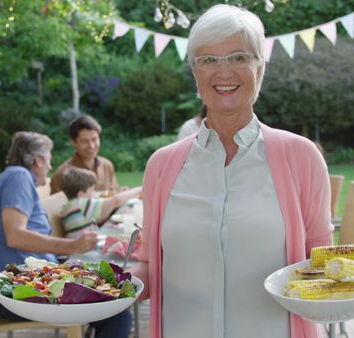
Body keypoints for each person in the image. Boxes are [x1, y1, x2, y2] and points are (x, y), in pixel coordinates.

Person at [131, 5, 334, 338]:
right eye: (208, 60)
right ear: (195, 72)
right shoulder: (161, 166)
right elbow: (150, 266)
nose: (223, 72)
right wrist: (105, 290)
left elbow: (320, 263)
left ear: (259, 67)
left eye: (238, 57)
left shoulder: (302, 157)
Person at [0, 131, 131, 338]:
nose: (51, 167)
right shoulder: (18, 176)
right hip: (21, 293)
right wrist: (71, 247)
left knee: (109, 291)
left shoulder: (16, 177)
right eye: (49, 161)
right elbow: (15, 236)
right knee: (117, 311)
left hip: (36, 282)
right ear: (38, 160)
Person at [58, 167, 142, 239]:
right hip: (82, 251)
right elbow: (115, 201)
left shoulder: (69, 206)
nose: (94, 193)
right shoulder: (81, 204)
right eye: (92, 190)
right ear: (81, 194)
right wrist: (140, 189)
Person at [50, 115, 119, 195]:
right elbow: (56, 206)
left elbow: (113, 194)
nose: (91, 146)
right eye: (85, 142)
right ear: (73, 142)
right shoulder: (62, 174)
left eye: (94, 139)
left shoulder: (106, 166)